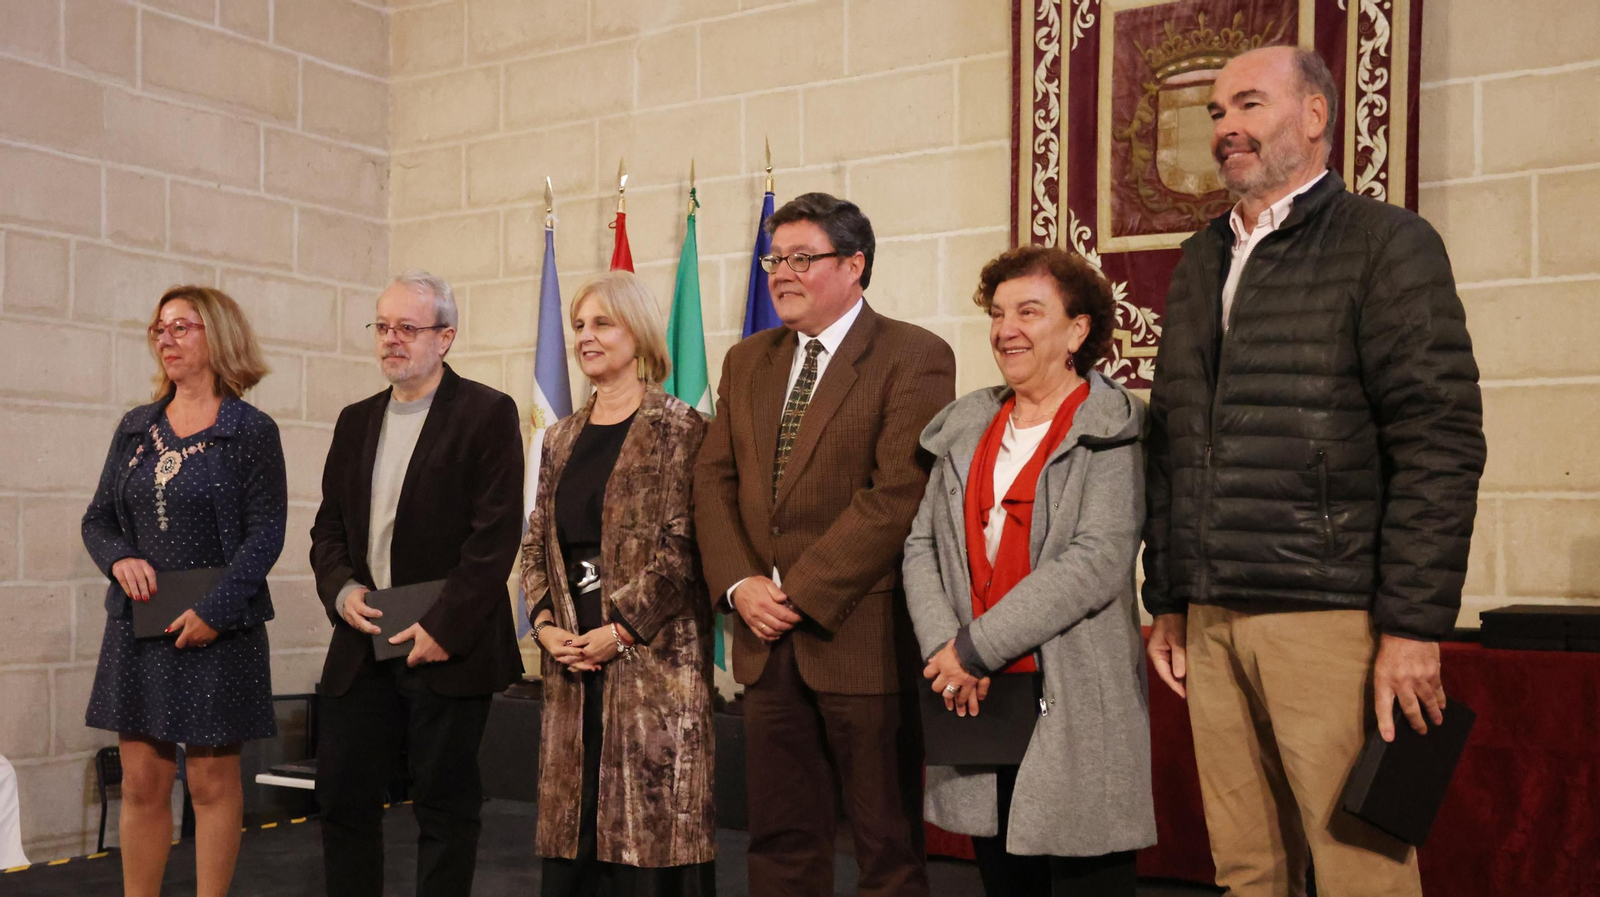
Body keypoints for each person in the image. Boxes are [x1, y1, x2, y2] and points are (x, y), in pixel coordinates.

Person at [1142, 47, 1485, 897]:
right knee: (1245, 869)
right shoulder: (1199, 260)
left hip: (1331, 619)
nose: (1226, 129)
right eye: (1216, 113)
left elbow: (1439, 440)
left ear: (1316, 116)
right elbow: (1173, 439)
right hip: (1213, 619)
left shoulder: (1386, 244)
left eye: (1248, 105)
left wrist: (1410, 625)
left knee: (1361, 872)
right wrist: (1172, 596)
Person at [694, 192, 956, 897]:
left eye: (802, 258)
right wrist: (741, 584)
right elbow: (712, 481)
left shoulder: (914, 355)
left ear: (854, 265)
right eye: (775, 258)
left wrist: (798, 593)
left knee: (886, 845)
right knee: (779, 843)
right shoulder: (748, 361)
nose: (781, 272)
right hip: (762, 638)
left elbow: (898, 494)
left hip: (861, 635)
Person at [903, 245, 1155, 896]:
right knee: (1003, 881)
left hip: (1072, 696)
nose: (1005, 328)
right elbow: (921, 544)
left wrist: (974, 648)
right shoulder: (965, 423)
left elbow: (1095, 561)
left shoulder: (1111, 425)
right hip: (979, 697)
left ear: (1077, 330)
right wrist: (943, 649)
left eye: (1029, 312)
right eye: (998, 312)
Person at [309, 270, 525, 897]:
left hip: (443, 641)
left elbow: (493, 540)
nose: (391, 340)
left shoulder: (486, 412)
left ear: (446, 337)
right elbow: (327, 529)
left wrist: (444, 627)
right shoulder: (355, 421)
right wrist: (341, 589)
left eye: (408, 327)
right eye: (382, 326)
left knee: (443, 807)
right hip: (364, 634)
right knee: (343, 797)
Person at [81, 286, 284, 897]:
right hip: (140, 628)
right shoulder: (136, 428)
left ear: (216, 336)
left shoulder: (250, 430)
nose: (166, 340)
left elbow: (266, 535)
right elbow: (98, 520)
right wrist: (119, 560)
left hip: (218, 630)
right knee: (142, 785)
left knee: (210, 786)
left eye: (181, 328)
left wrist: (215, 611)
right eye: (159, 330)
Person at [522, 271, 716, 896]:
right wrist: (547, 625)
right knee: (574, 831)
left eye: (602, 323)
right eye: (579, 325)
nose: (586, 337)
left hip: (653, 668)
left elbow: (684, 550)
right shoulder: (559, 439)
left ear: (639, 333)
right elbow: (536, 544)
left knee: (646, 838)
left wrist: (621, 630)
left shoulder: (682, 428)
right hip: (571, 662)